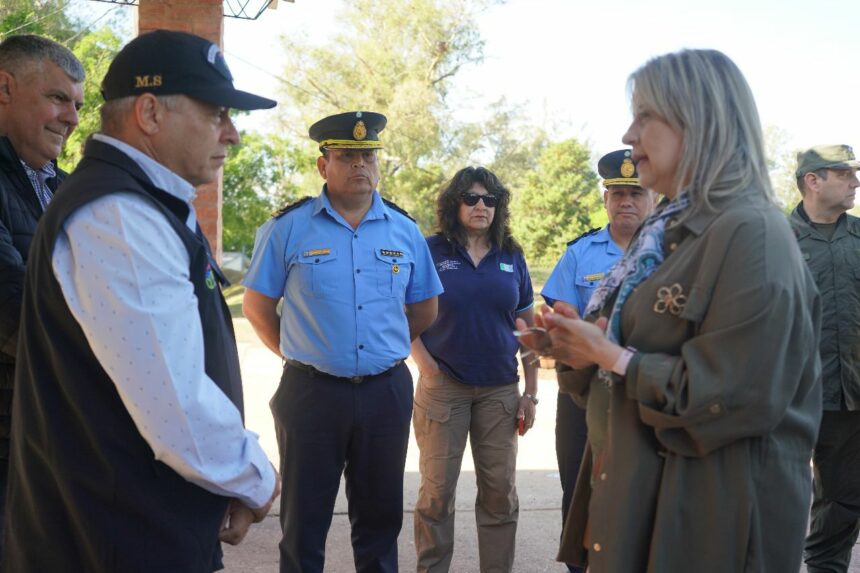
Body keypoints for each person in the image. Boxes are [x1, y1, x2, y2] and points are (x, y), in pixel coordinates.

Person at [518, 49, 822, 572]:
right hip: (644, 505)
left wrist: (610, 355)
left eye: (645, 116)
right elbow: (628, 364)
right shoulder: (667, 233)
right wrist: (580, 348)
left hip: (709, 525)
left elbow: (740, 397)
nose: (628, 134)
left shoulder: (753, 232)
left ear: (698, 121)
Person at [2, 30, 280, 572]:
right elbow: (175, 409)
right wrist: (254, 478)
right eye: (217, 113)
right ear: (150, 113)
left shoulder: (134, 202)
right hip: (113, 539)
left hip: (132, 529)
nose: (233, 134)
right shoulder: (119, 216)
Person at [242, 110, 443, 573]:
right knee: (303, 522)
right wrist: (301, 354)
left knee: (379, 521)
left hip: (384, 392)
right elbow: (257, 307)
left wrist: (383, 347)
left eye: (368, 156)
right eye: (347, 155)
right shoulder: (287, 228)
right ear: (322, 166)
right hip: (311, 393)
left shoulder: (404, 231)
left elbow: (426, 308)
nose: (360, 166)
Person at [410, 166, 536, 572]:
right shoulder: (430, 251)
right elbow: (402, 314)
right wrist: (427, 368)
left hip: (500, 391)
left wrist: (530, 393)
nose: (481, 206)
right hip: (443, 388)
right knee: (436, 494)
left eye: (490, 200)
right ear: (455, 204)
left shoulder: (511, 256)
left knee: (500, 493)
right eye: (472, 198)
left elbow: (528, 329)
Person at [541, 149, 652, 573]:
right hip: (583, 395)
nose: (626, 201)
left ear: (652, 198)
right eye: (618, 192)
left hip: (645, 391)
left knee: (643, 494)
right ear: (605, 198)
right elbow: (563, 325)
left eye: (636, 193)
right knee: (578, 491)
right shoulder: (580, 254)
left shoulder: (674, 252)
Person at [0, 34, 84, 548]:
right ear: (4, 89)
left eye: (77, 104)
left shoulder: (73, 189)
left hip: (55, 438)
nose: (72, 118)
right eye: (57, 98)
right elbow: (13, 309)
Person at [790, 144, 860, 573]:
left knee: (842, 498)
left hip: (849, 396)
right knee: (772, 495)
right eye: (845, 174)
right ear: (813, 181)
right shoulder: (775, 241)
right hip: (790, 396)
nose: (855, 181)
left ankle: (824, 568)